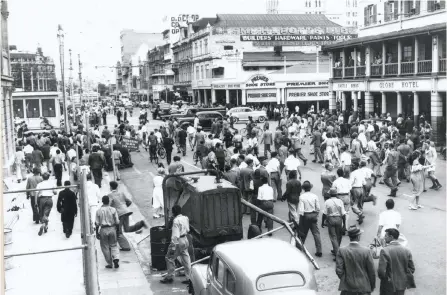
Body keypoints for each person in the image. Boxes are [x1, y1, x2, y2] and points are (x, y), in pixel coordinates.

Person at [336, 225, 376, 295]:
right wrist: (371, 286)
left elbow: (339, 270)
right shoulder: (366, 251)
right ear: (358, 236)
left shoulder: (342, 250)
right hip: (363, 287)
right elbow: (371, 271)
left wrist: (345, 279)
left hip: (347, 288)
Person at [108, 181, 147, 251]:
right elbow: (129, 202)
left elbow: (109, 206)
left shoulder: (110, 195)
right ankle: (140, 224)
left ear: (110, 187)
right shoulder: (121, 193)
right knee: (127, 229)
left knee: (118, 232)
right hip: (126, 212)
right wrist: (124, 208)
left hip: (119, 214)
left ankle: (126, 247)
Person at [378, 228, 416, 295]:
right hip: (401, 285)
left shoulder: (385, 250)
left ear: (391, 237)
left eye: (386, 236)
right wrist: (403, 277)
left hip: (388, 286)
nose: (384, 238)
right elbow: (412, 268)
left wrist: (387, 280)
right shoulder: (406, 251)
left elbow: (381, 271)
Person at [160, 205, 192, 285]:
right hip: (185, 239)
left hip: (178, 241)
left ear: (173, 212)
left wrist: (173, 246)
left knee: (169, 258)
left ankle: (170, 277)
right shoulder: (186, 218)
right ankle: (189, 278)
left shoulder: (176, 221)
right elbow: (188, 229)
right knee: (186, 259)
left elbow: (175, 235)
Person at [297, 181, 322, 257]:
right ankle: (319, 250)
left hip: (305, 215)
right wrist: (316, 214)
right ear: (310, 188)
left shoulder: (302, 197)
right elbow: (318, 208)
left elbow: (301, 210)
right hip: (313, 215)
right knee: (316, 233)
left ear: (303, 189)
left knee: (303, 233)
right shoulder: (314, 196)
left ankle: (299, 249)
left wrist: (300, 220)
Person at [95, 195, 120, 269]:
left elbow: (96, 223)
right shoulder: (113, 209)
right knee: (114, 245)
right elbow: (117, 222)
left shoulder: (98, 211)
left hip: (103, 229)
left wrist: (97, 232)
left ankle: (109, 263)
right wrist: (117, 231)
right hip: (112, 229)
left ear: (102, 201)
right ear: (108, 201)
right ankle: (115, 258)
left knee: (105, 246)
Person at [321, 188, 347, 260]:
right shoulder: (340, 201)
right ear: (336, 194)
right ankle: (336, 250)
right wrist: (344, 225)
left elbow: (324, 213)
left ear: (330, 194)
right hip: (339, 219)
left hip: (331, 219)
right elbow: (344, 214)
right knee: (339, 236)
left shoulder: (327, 202)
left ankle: (337, 253)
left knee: (333, 237)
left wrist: (323, 222)